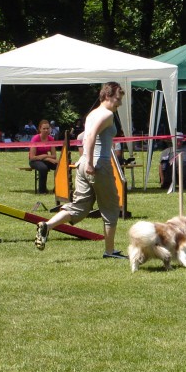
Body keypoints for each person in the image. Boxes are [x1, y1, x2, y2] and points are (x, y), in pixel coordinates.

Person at [34, 82, 128, 259]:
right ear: (107, 96)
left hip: (83, 163)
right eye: (117, 99)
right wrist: (91, 163)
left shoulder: (92, 114)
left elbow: (82, 137)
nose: (119, 103)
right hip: (98, 165)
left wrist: (85, 159)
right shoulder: (107, 114)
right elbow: (91, 136)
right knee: (111, 208)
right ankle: (110, 252)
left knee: (80, 207)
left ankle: (47, 225)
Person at [28, 119, 58, 194]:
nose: (46, 130)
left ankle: (58, 188)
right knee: (43, 168)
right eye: (44, 128)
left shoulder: (51, 139)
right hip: (34, 161)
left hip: (45, 159)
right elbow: (32, 157)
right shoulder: (35, 138)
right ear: (40, 129)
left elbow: (54, 156)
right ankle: (42, 190)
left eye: (47, 128)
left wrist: (46, 158)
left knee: (60, 166)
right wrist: (46, 156)